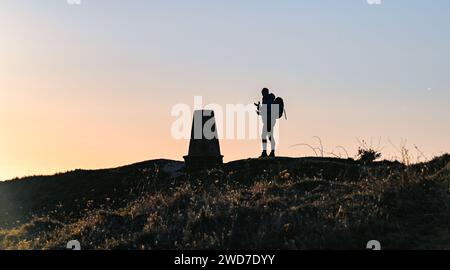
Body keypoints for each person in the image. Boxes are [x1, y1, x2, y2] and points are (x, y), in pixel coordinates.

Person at [255, 88, 278, 158]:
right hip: (267, 121)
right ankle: (267, 152)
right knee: (266, 136)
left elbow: (269, 110)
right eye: (262, 93)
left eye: (263, 93)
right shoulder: (265, 100)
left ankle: (271, 152)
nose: (263, 94)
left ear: (266, 92)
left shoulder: (270, 99)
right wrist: (260, 110)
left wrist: (261, 109)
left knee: (269, 136)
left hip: (270, 121)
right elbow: (265, 111)